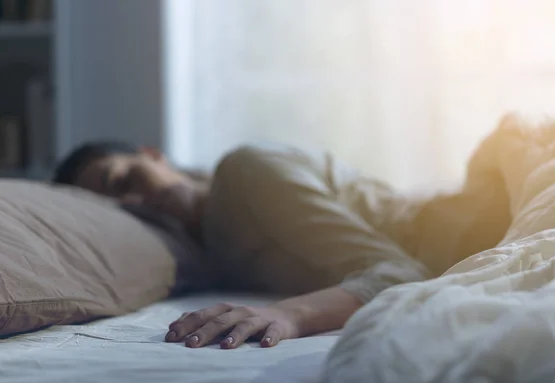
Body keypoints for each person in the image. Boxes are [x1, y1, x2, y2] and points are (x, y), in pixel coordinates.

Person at [53, 141, 509, 349]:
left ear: (153, 155)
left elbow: (400, 272)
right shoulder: (212, 254)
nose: (138, 200)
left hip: (479, 222)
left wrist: (288, 314)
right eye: (121, 205)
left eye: (126, 179)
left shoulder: (245, 172)